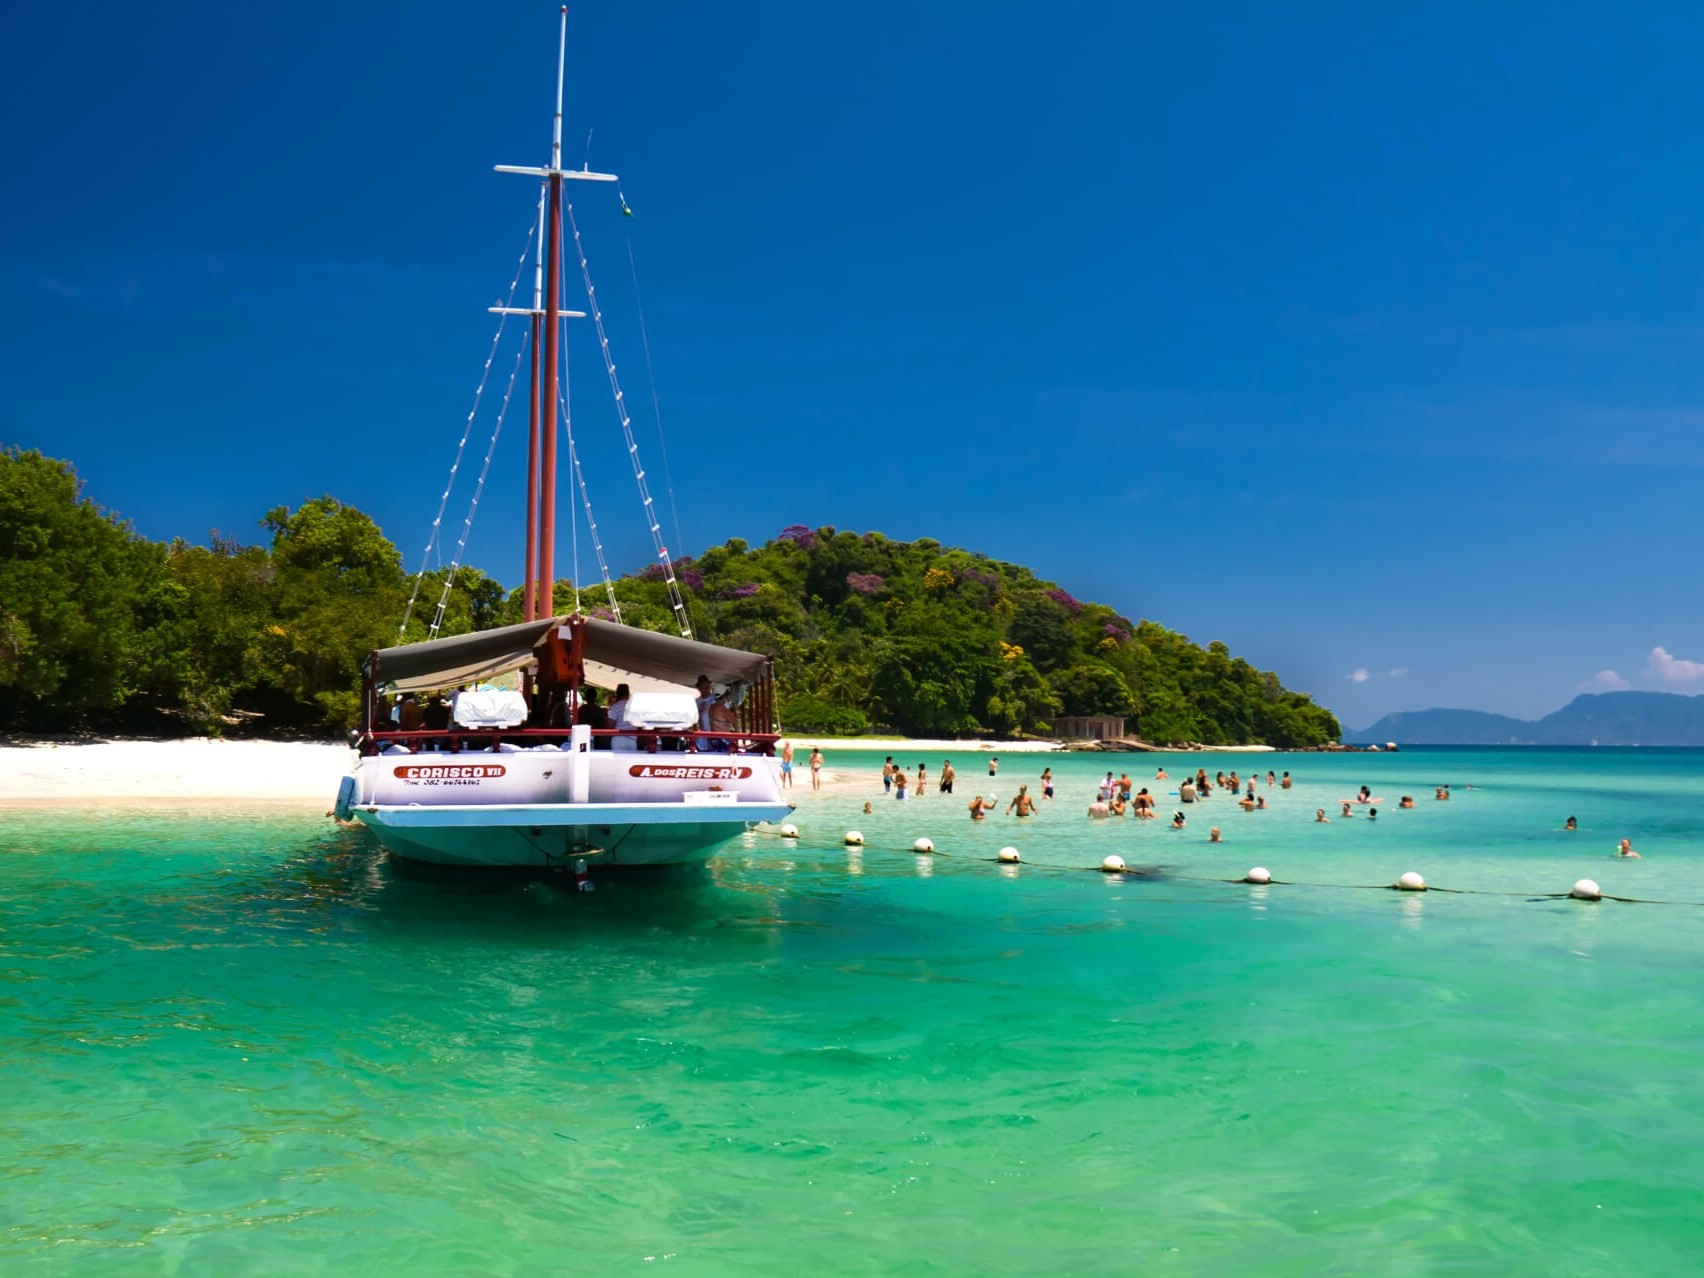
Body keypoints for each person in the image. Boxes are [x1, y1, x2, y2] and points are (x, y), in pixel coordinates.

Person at [693, 675, 717, 750]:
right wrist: (700, 710)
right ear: (699, 688)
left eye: (707, 686)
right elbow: (693, 720)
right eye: (703, 687)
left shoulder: (716, 699)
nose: (706, 689)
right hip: (703, 736)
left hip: (717, 735)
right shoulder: (696, 702)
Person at [608, 683, 633, 752]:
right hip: (632, 738)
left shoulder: (615, 706)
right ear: (628, 693)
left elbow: (610, 725)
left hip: (618, 738)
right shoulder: (634, 706)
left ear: (617, 693)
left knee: (618, 758)